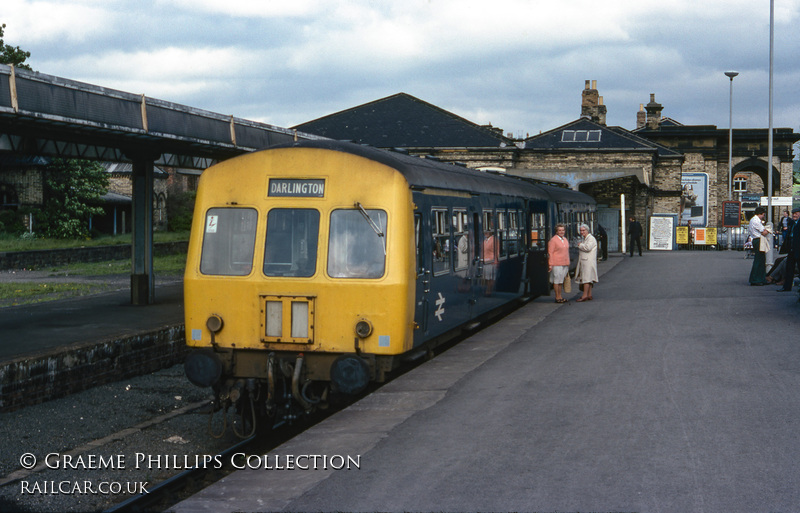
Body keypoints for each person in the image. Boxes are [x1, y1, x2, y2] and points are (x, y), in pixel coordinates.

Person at [575, 224, 598, 302]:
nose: (582, 232)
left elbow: (587, 248)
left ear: (587, 230)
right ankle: (589, 294)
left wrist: (580, 245)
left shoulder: (590, 238)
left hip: (587, 261)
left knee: (586, 279)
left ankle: (584, 295)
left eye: (583, 230)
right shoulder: (586, 238)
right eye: (581, 230)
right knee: (589, 278)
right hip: (587, 261)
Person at [548, 223, 570, 303]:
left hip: (564, 263)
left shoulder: (565, 239)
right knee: (557, 281)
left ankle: (560, 296)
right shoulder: (553, 240)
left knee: (561, 281)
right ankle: (557, 297)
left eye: (563, 230)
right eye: (559, 230)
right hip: (556, 263)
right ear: (556, 231)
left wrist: (568, 262)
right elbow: (550, 252)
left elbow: (566, 252)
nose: (561, 232)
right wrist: (550, 264)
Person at [779, 207, 800, 292]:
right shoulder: (792, 223)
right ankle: (786, 287)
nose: (794, 215)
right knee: (789, 268)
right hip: (791, 248)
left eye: (796, 213)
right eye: (793, 213)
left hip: (798, 248)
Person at [748, 207, 770, 286]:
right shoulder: (756, 221)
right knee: (759, 260)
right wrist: (769, 229)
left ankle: (760, 278)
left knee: (760, 259)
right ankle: (755, 279)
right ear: (760, 213)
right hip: (758, 240)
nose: (763, 216)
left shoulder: (753, 220)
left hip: (756, 239)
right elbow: (764, 232)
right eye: (763, 214)